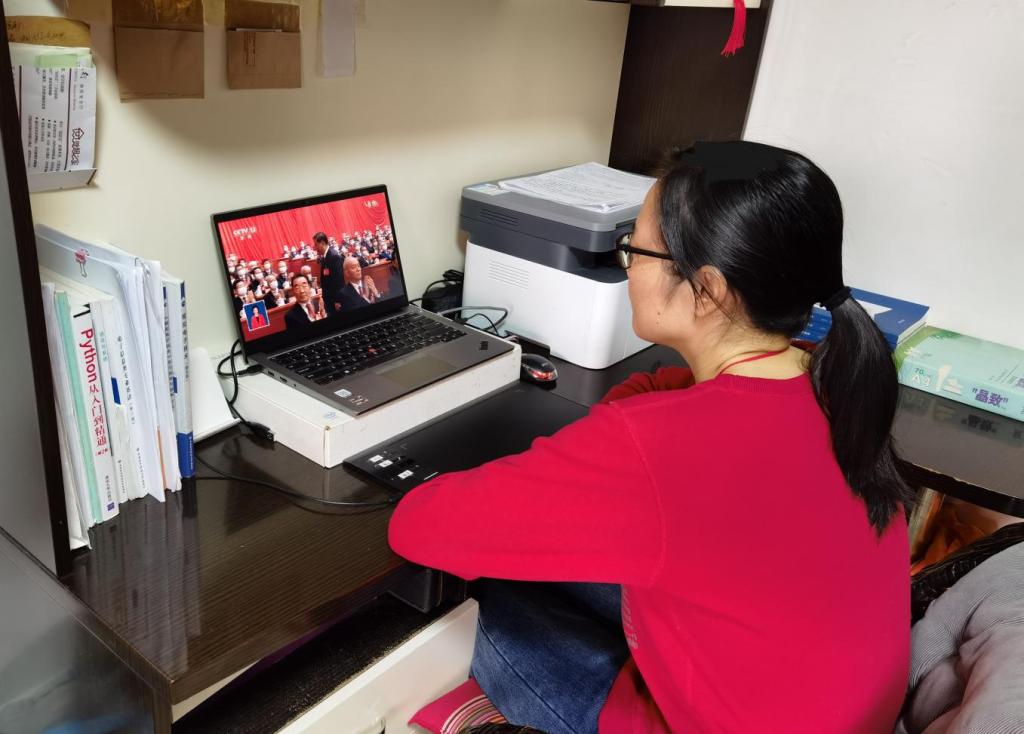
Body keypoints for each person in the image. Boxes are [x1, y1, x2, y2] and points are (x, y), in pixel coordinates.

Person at [388, 142, 913, 734]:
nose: (627, 268)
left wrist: (614, 447)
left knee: (483, 600)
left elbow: (420, 526)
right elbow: (652, 391)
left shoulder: (664, 446)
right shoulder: (835, 380)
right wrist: (617, 445)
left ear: (707, 289)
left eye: (633, 249)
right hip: (818, 703)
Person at [314, 231, 346, 313]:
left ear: (322, 243)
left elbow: (339, 281)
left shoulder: (333, 256)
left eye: (316, 245)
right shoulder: (326, 256)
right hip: (329, 300)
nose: (315, 248)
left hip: (335, 301)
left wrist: (338, 300)